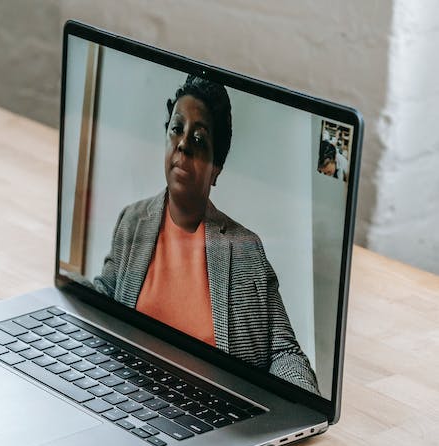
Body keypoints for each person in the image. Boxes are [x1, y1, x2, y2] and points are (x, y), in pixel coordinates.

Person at [94, 75, 319, 393]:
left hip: (212, 414)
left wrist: (300, 407)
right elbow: (103, 298)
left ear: (216, 168)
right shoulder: (132, 221)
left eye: (199, 140)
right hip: (127, 396)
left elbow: (284, 353)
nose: (183, 143)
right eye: (177, 129)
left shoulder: (245, 248)